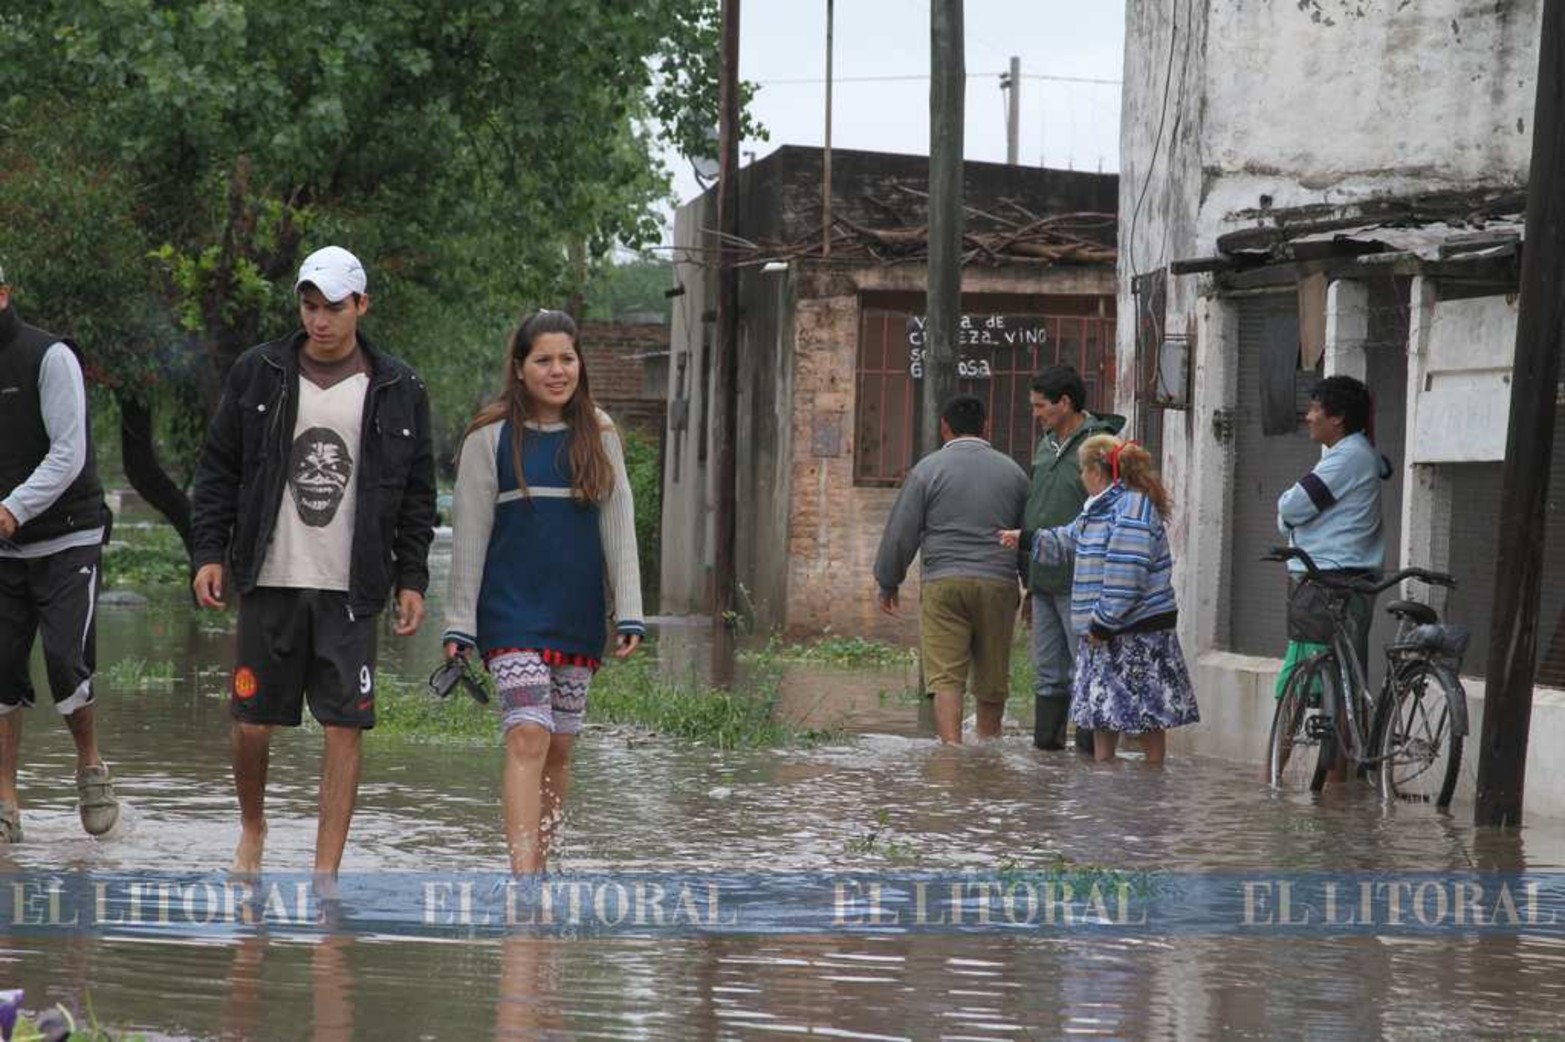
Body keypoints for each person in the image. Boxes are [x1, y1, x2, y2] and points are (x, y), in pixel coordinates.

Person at [190, 245, 437, 879]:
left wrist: (412, 578)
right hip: (268, 576)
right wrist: (209, 553)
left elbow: (417, 495)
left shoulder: (399, 387)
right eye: (309, 306)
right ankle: (253, 828)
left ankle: (325, 872)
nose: (319, 320)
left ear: (361, 306)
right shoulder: (259, 372)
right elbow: (219, 469)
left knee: (344, 728)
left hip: (350, 588)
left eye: (332, 307)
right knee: (250, 723)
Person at [443, 309, 644, 877]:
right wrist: (459, 625)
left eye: (567, 359)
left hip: (575, 616)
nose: (557, 371)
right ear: (519, 367)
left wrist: (629, 610)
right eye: (544, 360)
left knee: (559, 747)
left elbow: (619, 528)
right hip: (509, 616)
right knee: (529, 734)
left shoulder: (599, 434)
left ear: (580, 364)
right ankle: (523, 877)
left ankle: (545, 863)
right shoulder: (489, 437)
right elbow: (470, 539)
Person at [0, 261, 121, 842]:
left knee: (65, 661)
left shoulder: (50, 357)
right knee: (0, 666)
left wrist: (11, 508)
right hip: (4, 549)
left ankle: (90, 766)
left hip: (67, 533)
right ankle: (5, 802)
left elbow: (68, 452)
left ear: (3, 294)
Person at [1001, 436, 1198, 762]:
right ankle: (1103, 789)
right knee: (1102, 714)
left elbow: (1128, 573)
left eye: (1081, 470)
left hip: (1136, 632)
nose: (1080, 478)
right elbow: (1069, 539)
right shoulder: (1099, 509)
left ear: (1096, 471)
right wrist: (1026, 539)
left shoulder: (1131, 509)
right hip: (1107, 631)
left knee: (1147, 717)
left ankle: (1151, 791)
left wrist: (1103, 623)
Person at [873, 393, 1028, 744]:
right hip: (998, 583)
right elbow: (1028, 534)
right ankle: (989, 752)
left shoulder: (927, 470)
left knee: (946, 677)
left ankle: (950, 756)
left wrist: (888, 580)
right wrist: (1030, 585)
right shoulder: (1014, 473)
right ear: (986, 426)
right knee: (992, 677)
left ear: (944, 427)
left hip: (944, 584)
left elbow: (901, 532)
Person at [1022, 365, 1124, 752]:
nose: (1036, 414)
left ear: (1065, 402)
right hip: (1043, 575)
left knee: (1086, 670)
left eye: (1040, 406)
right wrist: (1029, 581)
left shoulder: (1102, 444)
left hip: (1083, 580)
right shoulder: (1045, 445)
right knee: (1048, 673)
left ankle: (1089, 753)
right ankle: (1046, 757)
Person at [1276, 374, 1392, 676]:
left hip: (1331, 578)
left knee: (1329, 669)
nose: (1309, 416)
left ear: (1338, 417)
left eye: (1315, 408)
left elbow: (1292, 506)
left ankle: (1341, 722)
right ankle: (1344, 721)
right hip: (1346, 575)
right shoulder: (1353, 455)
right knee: (1344, 668)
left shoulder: (1347, 458)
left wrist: (1287, 519)